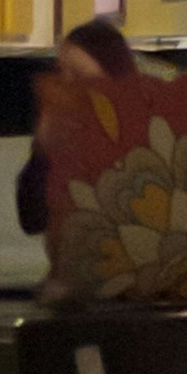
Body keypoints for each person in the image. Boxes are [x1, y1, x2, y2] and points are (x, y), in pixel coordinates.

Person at [18, 12, 141, 239]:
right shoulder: (65, 136)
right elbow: (32, 219)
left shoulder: (143, 134)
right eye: (62, 72)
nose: (66, 84)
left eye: (78, 74)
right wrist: (42, 151)